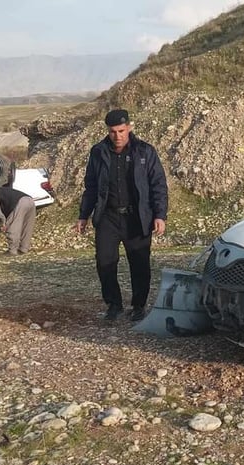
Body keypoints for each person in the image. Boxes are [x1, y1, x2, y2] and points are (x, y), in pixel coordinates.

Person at [76, 109, 169, 322]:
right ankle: (114, 304)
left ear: (129, 127)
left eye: (121, 130)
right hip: (108, 216)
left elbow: (158, 185)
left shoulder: (145, 151)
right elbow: (90, 186)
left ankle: (138, 306)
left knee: (140, 263)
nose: (117, 136)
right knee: (104, 261)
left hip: (137, 217)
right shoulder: (98, 152)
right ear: (107, 131)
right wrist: (83, 215)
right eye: (112, 132)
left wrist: (159, 215)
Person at [0, 183, 36, 256]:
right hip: (30, 200)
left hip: (19, 203)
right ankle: (24, 249)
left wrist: (4, 222)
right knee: (27, 226)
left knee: (13, 227)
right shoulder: (5, 190)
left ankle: (12, 251)